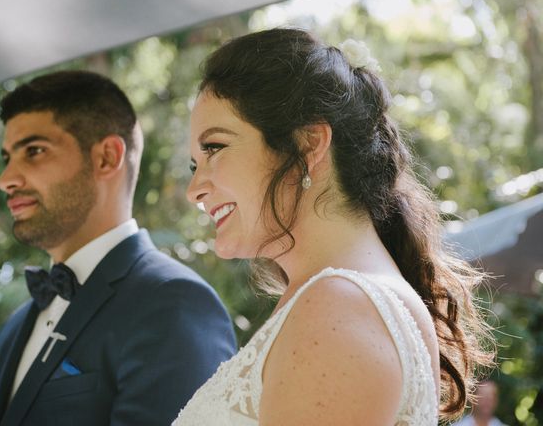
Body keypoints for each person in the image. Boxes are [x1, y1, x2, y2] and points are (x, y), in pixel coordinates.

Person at [173, 29, 493, 425]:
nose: (195, 190)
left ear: (309, 144)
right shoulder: (342, 299)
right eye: (194, 164)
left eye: (215, 149)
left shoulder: (338, 308)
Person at [0, 70, 237, 426]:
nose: (6, 179)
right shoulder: (15, 328)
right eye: (7, 157)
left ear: (106, 157)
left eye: (34, 151)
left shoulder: (173, 304)